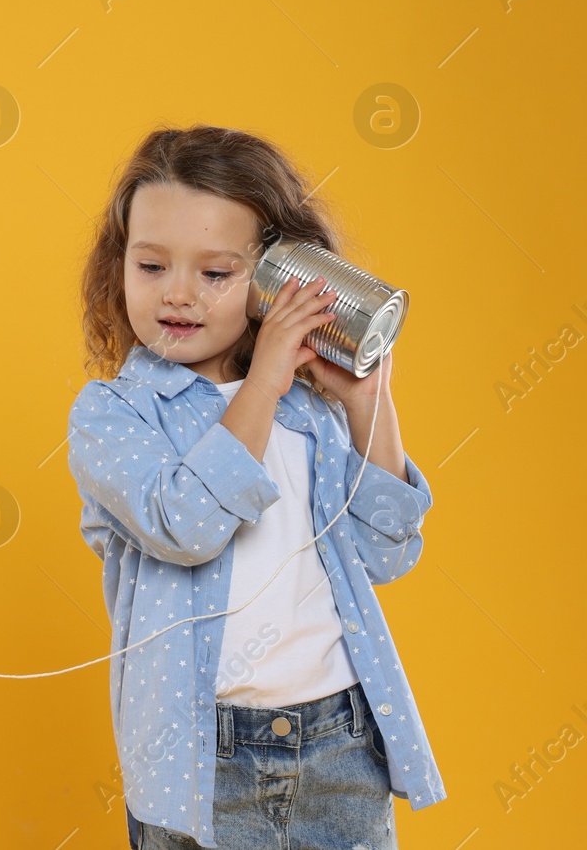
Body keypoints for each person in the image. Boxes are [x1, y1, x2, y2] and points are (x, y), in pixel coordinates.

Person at [65, 125, 445, 848]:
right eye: (151, 265)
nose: (178, 294)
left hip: (339, 741)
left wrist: (367, 402)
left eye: (215, 274)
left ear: (277, 278)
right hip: (204, 760)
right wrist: (267, 376)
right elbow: (187, 523)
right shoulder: (114, 414)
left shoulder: (308, 413)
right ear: (120, 265)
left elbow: (387, 551)